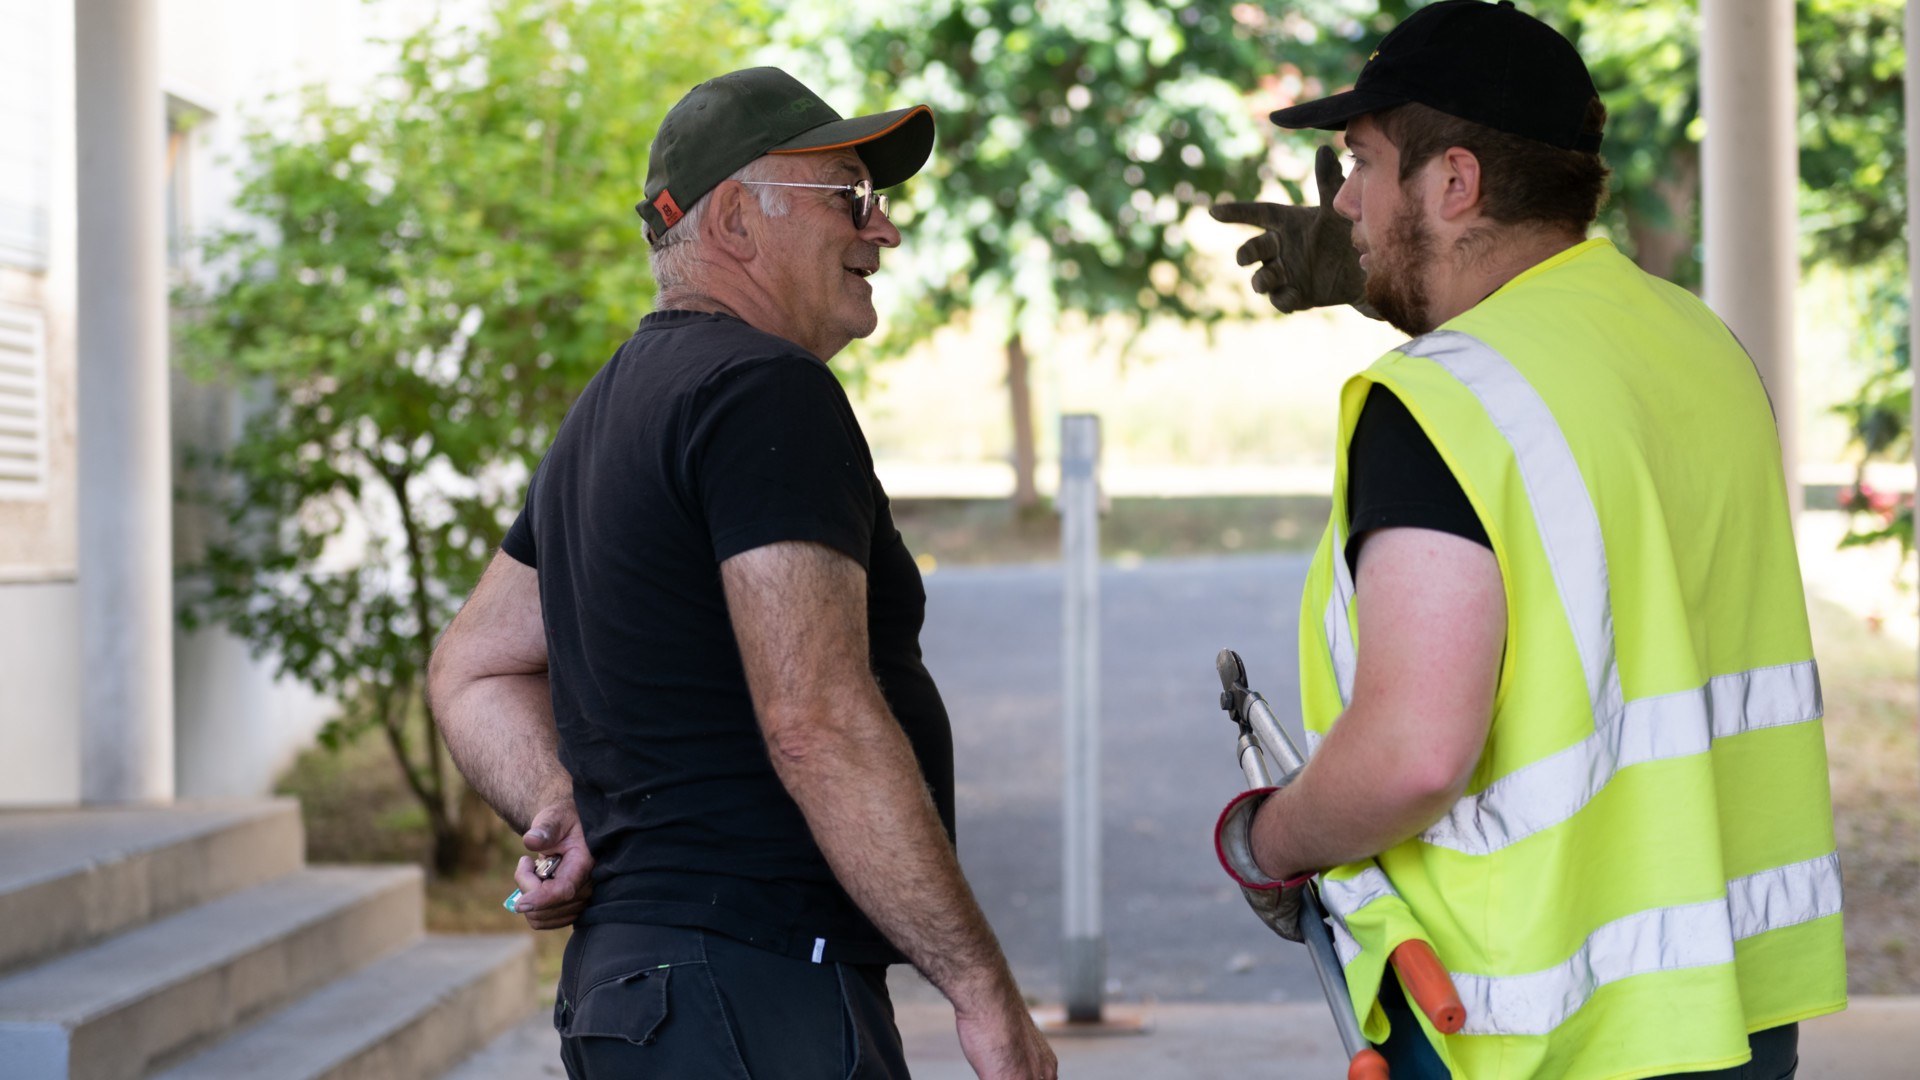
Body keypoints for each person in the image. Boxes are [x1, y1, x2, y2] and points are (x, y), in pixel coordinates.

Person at [1207, 3, 1845, 1077]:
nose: (1345, 201)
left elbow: (1412, 755)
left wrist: (1265, 841)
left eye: (1362, 164)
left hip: (1525, 1023)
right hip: (1728, 1001)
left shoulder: (1438, 406)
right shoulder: (1699, 344)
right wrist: (1392, 274)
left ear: (1454, 183)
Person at [428, 67, 1056, 1080]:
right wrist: (984, 993)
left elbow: (470, 667)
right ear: (733, 220)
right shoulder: (765, 392)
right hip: (753, 994)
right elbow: (818, 720)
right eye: (849, 196)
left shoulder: (610, 407)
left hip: (637, 999)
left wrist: (561, 797)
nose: (883, 230)